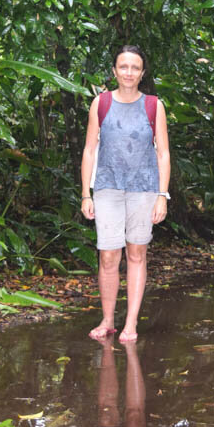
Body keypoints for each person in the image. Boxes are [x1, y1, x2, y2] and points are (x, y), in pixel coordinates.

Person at [80, 45, 170, 343]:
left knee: (136, 253)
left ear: (142, 73)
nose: (129, 72)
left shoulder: (154, 105)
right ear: (115, 71)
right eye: (123, 67)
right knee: (108, 256)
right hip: (107, 187)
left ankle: (130, 323)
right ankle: (107, 320)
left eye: (135, 68)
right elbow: (90, 149)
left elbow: (163, 154)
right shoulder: (101, 103)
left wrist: (162, 195)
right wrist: (85, 194)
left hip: (143, 189)